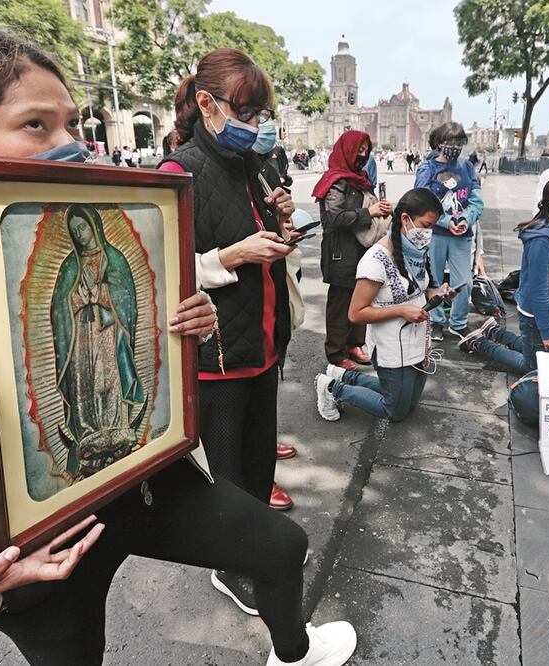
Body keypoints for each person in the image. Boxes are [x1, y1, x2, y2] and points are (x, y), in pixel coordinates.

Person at [0, 28, 355, 666]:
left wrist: (183, 329)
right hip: (33, 536)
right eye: (35, 125)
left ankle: (293, 651)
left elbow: (142, 345)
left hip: (144, 477)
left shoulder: (120, 219)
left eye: (70, 122)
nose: (68, 144)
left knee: (278, 546)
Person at [159, 48, 321, 609]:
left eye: (261, 115)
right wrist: (232, 257)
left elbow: (266, 247)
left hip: (264, 342)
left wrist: (279, 228)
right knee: (228, 473)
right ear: (207, 105)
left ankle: (259, 550)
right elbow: (162, 272)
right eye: (247, 114)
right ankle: (232, 568)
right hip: (218, 352)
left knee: (259, 463)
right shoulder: (178, 171)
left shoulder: (256, 166)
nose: (258, 126)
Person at [315, 189, 449, 422]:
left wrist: (437, 293)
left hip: (417, 341)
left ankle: (344, 375)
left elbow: (421, 286)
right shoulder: (374, 261)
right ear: (405, 219)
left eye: (432, 227)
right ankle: (330, 388)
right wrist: (400, 310)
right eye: (425, 226)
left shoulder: (415, 249)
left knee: (409, 404)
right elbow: (356, 313)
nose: (428, 233)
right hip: (392, 346)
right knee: (394, 411)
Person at [458, 174, 549, 373]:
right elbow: (539, 290)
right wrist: (546, 331)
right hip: (537, 314)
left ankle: (496, 332)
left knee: (545, 355)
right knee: (533, 367)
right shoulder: (542, 240)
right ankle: (481, 343)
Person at [313, 130, 391, 372]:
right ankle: (336, 353)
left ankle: (356, 344)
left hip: (363, 250)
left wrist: (381, 208)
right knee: (340, 304)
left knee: (363, 298)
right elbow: (334, 218)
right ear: (346, 150)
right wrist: (370, 213)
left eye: (366, 150)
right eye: (358, 150)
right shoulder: (335, 180)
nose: (362, 155)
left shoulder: (361, 178)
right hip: (340, 252)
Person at [414, 121, 484, 341]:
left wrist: (465, 219)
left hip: (462, 236)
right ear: (439, 143)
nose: (455, 146)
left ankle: (458, 322)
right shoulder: (427, 169)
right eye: (450, 141)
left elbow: (476, 201)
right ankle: (435, 320)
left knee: (464, 281)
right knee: (433, 280)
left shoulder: (467, 167)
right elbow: (421, 202)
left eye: (459, 142)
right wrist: (445, 222)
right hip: (434, 234)